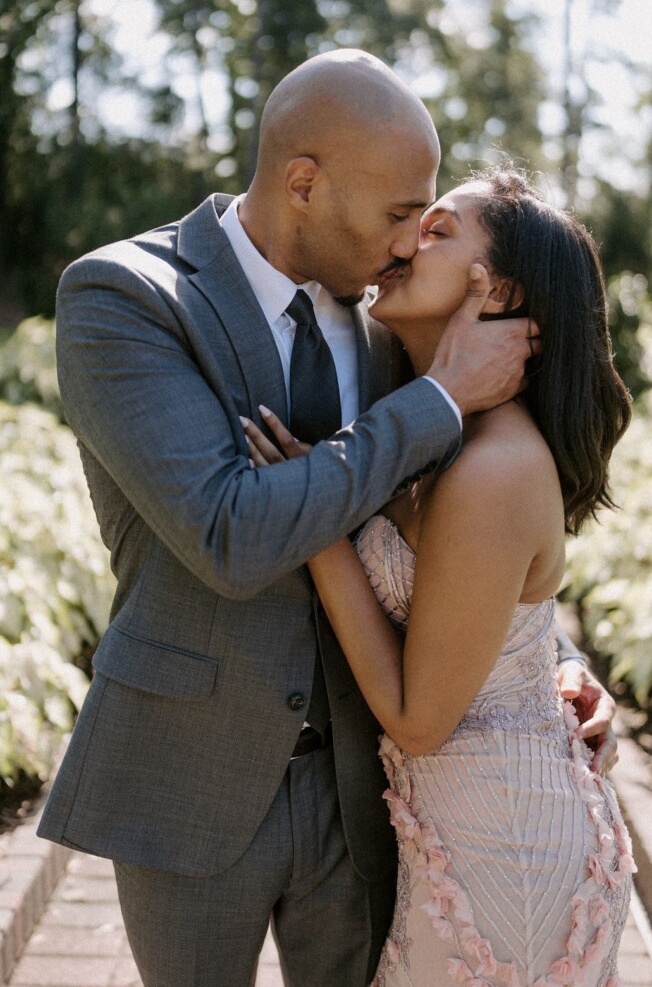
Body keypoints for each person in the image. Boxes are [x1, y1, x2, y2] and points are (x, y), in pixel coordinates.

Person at [37, 49, 616, 987]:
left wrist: (543, 665)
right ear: (304, 182)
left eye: (422, 223)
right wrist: (435, 400)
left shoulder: (398, 326)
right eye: (397, 215)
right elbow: (232, 535)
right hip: (191, 776)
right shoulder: (125, 299)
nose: (404, 244)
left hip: (371, 793)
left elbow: (447, 534)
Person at [242, 167, 635, 986]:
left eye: (439, 228)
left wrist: (313, 519)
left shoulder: (492, 468)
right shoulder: (436, 429)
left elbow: (420, 720)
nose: (405, 237)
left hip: (509, 856)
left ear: (499, 291)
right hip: (454, 836)